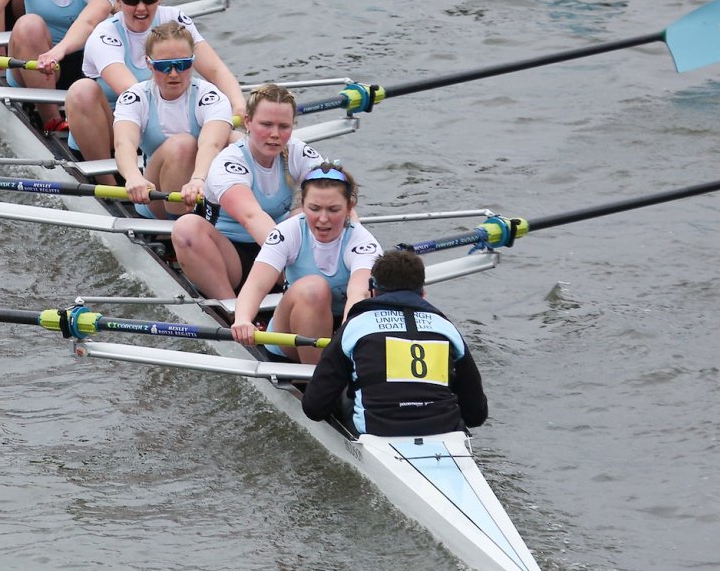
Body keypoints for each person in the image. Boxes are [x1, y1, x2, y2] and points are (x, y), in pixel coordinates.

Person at [61, 0, 246, 161]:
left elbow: (215, 70)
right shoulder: (104, 34)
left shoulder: (175, 20)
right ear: (118, 0)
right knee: (82, 91)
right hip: (116, 130)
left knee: (237, 139)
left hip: (166, 123)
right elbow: (133, 92)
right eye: (131, 0)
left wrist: (238, 106)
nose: (141, 8)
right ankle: (107, 184)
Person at [301, 248, 488, 438]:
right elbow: (476, 415)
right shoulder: (446, 329)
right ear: (422, 293)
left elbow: (314, 407)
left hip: (378, 432)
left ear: (373, 290)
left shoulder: (354, 328)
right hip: (446, 430)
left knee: (344, 385)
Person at [169, 84, 324, 299]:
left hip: (275, 252)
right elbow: (251, 217)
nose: (275, 135)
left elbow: (338, 195)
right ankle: (229, 309)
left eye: (283, 126)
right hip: (229, 257)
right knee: (186, 228)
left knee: (317, 210)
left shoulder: (297, 151)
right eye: (266, 124)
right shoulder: (229, 163)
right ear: (248, 122)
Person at [227, 165, 383, 364]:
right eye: (314, 209)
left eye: (333, 209)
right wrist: (242, 319)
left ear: (349, 207)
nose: (323, 219)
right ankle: (320, 378)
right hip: (290, 335)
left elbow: (358, 294)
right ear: (303, 205)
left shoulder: (363, 243)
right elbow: (256, 285)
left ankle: (336, 364)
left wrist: (346, 335)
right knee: (314, 288)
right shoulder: (288, 232)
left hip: (343, 329)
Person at [110, 21, 235, 219]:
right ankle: (175, 233)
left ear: (193, 62)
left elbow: (212, 143)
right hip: (155, 195)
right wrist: (133, 177)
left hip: (200, 186)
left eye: (182, 64)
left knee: (237, 141)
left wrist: (198, 179)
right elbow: (123, 143)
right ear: (149, 64)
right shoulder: (136, 97)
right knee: (182, 145)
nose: (174, 73)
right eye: (164, 66)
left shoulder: (210, 96)